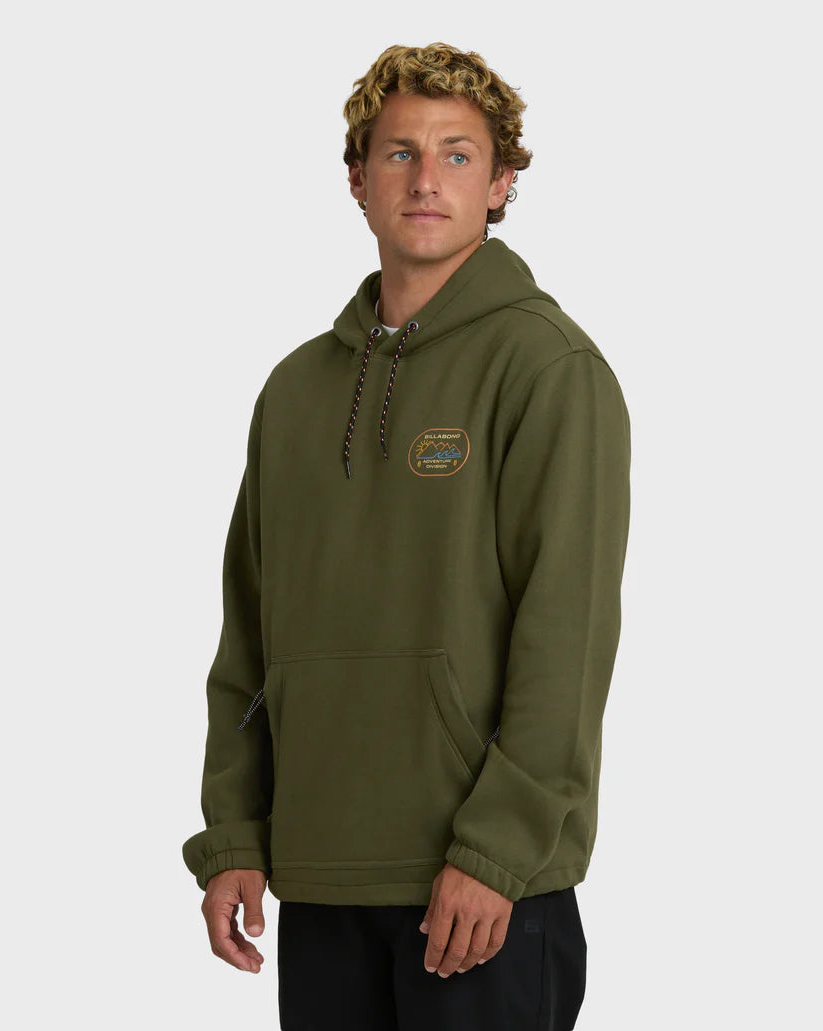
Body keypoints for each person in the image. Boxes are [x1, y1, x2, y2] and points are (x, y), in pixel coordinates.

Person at [182, 41, 631, 1031]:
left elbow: (565, 635)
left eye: (457, 155)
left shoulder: (547, 368)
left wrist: (496, 849)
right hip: (321, 874)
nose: (426, 179)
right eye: (398, 153)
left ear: (501, 184)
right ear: (357, 179)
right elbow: (249, 633)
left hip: (479, 890)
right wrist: (235, 831)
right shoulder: (296, 390)